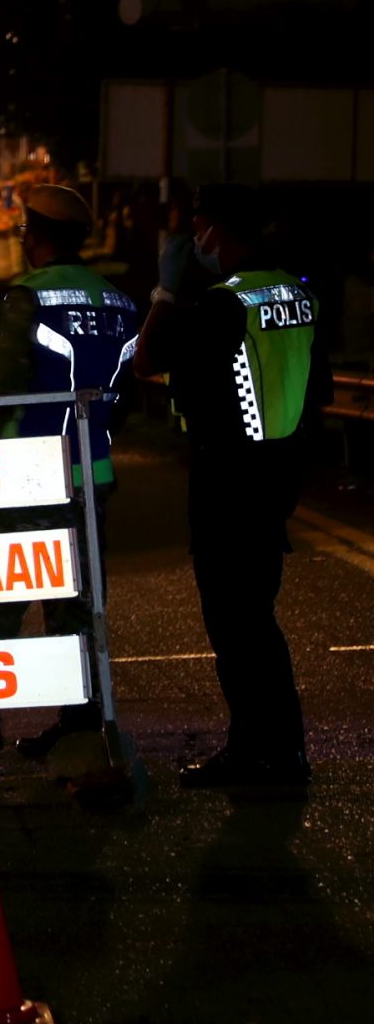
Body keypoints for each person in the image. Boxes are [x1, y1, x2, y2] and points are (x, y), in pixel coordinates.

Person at [135, 184, 327, 790]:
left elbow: (148, 359)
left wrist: (166, 291)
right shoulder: (297, 294)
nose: (196, 244)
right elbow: (313, 390)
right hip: (276, 480)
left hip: (229, 484)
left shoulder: (227, 304)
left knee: (237, 627)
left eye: (201, 230)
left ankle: (263, 755)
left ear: (221, 231)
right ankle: (274, 750)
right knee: (254, 619)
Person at [0, 184, 139, 759]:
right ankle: (81, 720)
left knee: (1, 599)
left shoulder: (29, 297)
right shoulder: (118, 303)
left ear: (34, 236)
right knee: (77, 605)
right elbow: (126, 394)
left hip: (28, 475)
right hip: (91, 474)